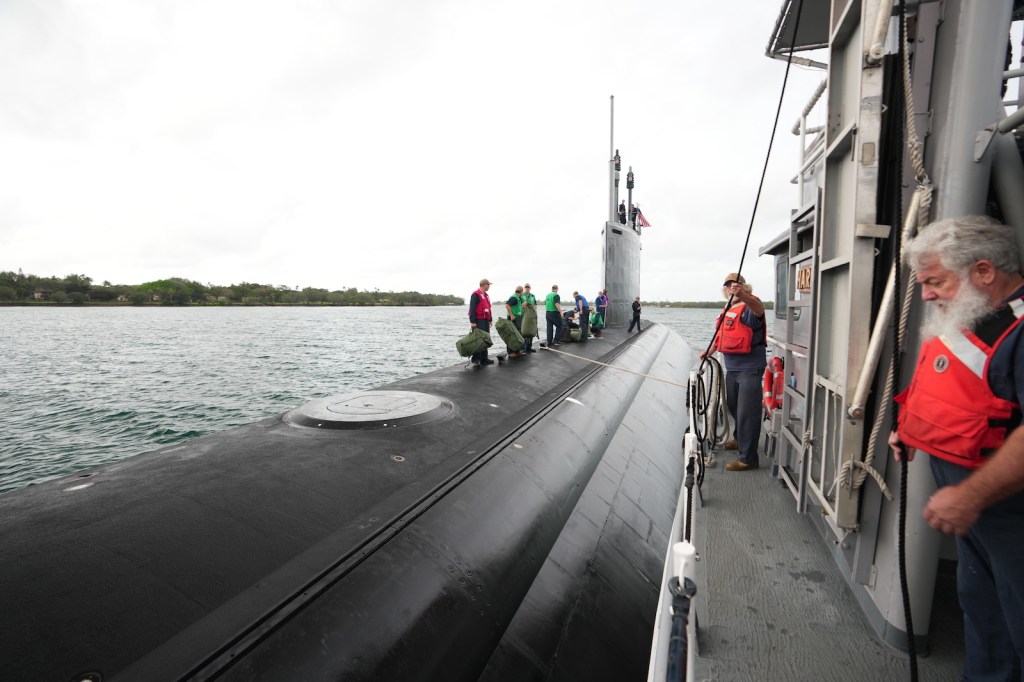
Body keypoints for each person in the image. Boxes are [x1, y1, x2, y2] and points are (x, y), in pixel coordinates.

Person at [887, 215, 1024, 679]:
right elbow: (950, 392)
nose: (925, 294)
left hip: (1006, 511)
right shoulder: (974, 319)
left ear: (984, 271)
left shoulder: (1019, 332)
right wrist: (908, 430)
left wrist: (969, 496)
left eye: (934, 281)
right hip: (978, 516)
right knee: (984, 613)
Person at [700, 274, 766, 471]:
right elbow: (721, 335)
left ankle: (749, 458)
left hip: (749, 368)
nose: (731, 288)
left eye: (735, 285)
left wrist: (743, 295)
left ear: (745, 288)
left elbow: (758, 311)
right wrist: (709, 352)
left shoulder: (750, 305)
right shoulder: (729, 308)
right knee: (734, 406)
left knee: (748, 413)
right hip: (732, 368)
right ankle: (739, 439)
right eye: (728, 286)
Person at [468, 278, 494, 366]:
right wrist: (472, 321)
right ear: (483, 285)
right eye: (488, 284)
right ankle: (476, 359)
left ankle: (484, 358)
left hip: (485, 320)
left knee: (485, 339)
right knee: (478, 340)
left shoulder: (486, 295)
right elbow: (472, 308)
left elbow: (488, 308)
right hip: (478, 320)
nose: (489, 286)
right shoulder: (475, 295)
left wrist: (490, 319)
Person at [505, 285, 525, 357]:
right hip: (513, 319)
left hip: (517, 318)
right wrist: (511, 315)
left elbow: (516, 307)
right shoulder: (514, 297)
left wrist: (523, 306)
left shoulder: (518, 298)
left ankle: (516, 351)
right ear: (521, 292)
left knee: (517, 335)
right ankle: (510, 352)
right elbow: (507, 305)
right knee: (511, 335)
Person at [521, 284, 538, 353]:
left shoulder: (533, 296)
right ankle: (523, 348)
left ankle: (529, 347)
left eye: (528, 287)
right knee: (524, 332)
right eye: (526, 287)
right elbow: (520, 304)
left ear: (530, 288)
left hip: (531, 316)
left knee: (531, 331)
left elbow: (535, 305)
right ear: (524, 288)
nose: (527, 289)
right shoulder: (522, 295)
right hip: (524, 315)